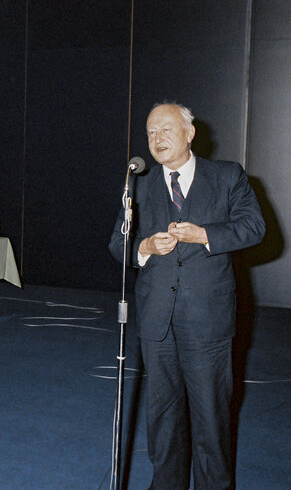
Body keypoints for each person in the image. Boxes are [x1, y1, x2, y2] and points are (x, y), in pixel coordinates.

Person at [109, 103, 265, 490]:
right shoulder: (139, 186)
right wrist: (143, 246)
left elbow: (254, 227)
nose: (156, 139)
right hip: (156, 321)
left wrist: (205, 235)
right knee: (162, 417)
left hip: (207, 320)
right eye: (150, 133)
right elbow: (118, 243)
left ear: (190, 133)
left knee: (211, 417)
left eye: (165, 129)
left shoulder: (227, 176)